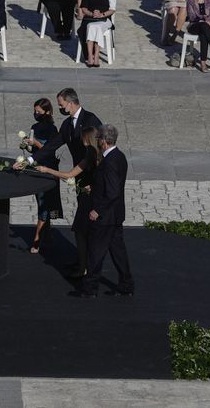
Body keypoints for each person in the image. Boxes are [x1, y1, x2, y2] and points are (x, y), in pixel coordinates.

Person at [36, 125, 99, 276]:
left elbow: (70, 174)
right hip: (88, 195)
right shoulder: (95, 153)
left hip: (88, 198)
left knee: (80, 231)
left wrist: (47, 170)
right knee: (83, 232)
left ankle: (83, 267)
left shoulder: (90, 152)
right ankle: (83, 263)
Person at [80, 124, 133, 298]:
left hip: (105, 216)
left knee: (95, 252)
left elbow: (112, 191)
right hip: (116, 214)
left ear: (104, 140)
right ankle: (126, 285)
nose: (98, 142)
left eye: (99, 139)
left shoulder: (109, 161)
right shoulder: (120, 156)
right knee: (118, 251)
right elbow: (112, 185)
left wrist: (97, 210)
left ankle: (90, 288)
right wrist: (94, 187)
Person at [28, 88, 102, 169]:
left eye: (61, 105)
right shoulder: (66, 124)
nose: (59, 108)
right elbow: (52, 145)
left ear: (70, 103)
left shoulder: (90, 119)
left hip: (95, 170)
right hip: (78, 170)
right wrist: (30, 159)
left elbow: (102, 144)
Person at [25, 98, 63, 254]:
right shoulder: (34, 127)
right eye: (34, 111)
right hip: (36, 168)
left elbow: (49, 149)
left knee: (45, 203)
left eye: (38, 112)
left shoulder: (52, 130)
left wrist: (36, 144)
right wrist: (27, 144)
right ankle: (46, 234)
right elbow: (32, 151)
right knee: (42, 202)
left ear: (47, 112)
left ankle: (37, 239)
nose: (35, 114)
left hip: (48, 169)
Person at [80, 0, 116, 67]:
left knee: (95, 27)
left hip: (105, 19)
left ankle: (96, 55)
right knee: (91, 26)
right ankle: (90, 56)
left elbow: (112, 9)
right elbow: (84, 8)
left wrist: (101, 14)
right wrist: (92, 14)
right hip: (90, 18)